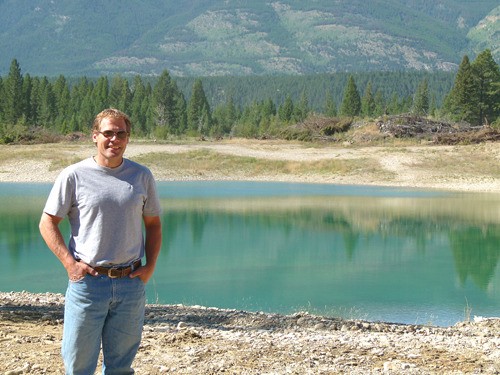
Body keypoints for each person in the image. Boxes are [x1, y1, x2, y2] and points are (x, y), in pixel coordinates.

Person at [39, 108, 162, 374]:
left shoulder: (141, 176)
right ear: (95, 136)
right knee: (79, 364)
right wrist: (70, 265)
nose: (114, 140)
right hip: (88, 284)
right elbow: (47, 222)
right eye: (108, 133)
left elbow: (153, 224)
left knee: (120, 367)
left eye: (121, 134)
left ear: (128, 138)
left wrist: (150, 267)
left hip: (130, 284)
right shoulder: (74, 175)